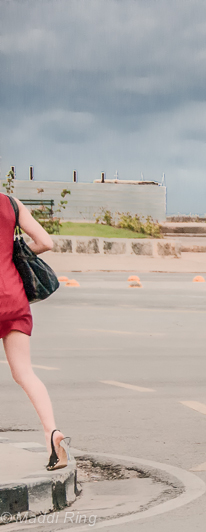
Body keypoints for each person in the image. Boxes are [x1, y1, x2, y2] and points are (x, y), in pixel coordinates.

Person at [1, 194, 69, 471]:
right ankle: (52, 434)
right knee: (25, 373)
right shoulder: (11, 203)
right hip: (13, 297)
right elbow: (45, 242)